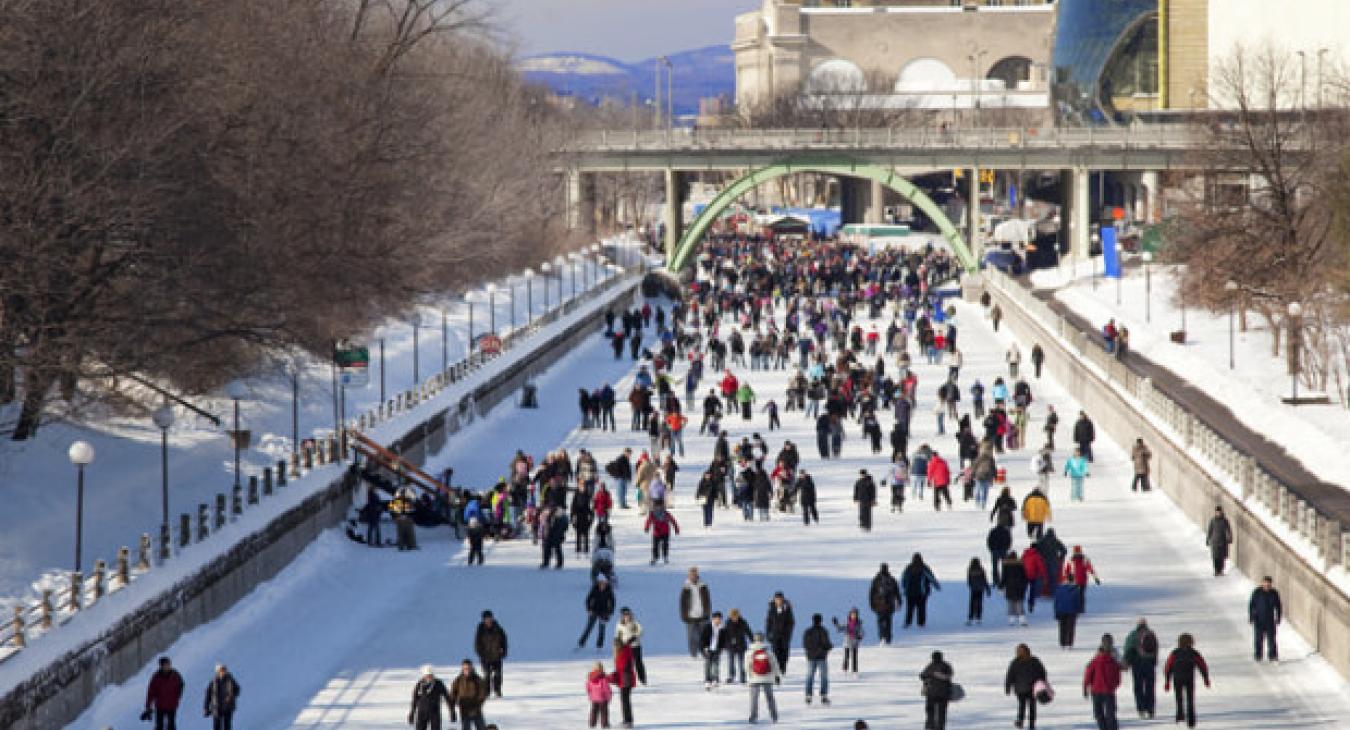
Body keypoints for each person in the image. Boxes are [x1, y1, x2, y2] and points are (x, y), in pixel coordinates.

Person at [1163, 633, 1211, 728]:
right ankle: (1191, 721)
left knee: (1179, 698)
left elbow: (1168, 667)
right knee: (1190, 699)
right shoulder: (1194, 653)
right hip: (1189, 678)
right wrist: (1205, 678)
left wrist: (1167, 681)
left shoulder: (1175, 653)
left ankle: (1180, 717)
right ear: (1191, 641)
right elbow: (1202, 665)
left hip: (1177, 678)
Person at [1123, 617, 1159, 719]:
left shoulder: (1132, 635)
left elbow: (1128, 649)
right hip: (1149, 664)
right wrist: (1154, 661)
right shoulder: (1151, 634)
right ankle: (1150, 709)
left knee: (1138, 687)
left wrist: (1126, 662)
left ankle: (1141, 709)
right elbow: (1156, 648)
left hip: (1137, 664)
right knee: (1150, 687)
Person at [1083, 635, 1122, 730]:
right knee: (1110, 714)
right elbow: (1118, 678)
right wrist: (1114, 686)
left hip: (1096, 691)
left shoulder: (1095, 661)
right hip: (1108, 691)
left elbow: (1088, 675)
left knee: (1098, 713)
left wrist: (1085, 687)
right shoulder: (1113, 661)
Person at [1005, 644, 1048, 730]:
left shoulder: (1015, 662)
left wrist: (1008, 687)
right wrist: (1042, 682)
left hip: (1020, 688)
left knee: (1022, 705)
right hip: (1032, 688)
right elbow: (1043, 672)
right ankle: (1031, 724)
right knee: (1032, 706)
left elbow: (1010, 676)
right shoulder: (1034, 660)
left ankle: (1020, 721)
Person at [746, 632, 782, 724]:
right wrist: (777, 676)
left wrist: (749, 676)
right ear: (763, 639)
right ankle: (774, 717)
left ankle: (753, 717)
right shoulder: (768, 652)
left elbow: (747, 666)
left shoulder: (749, 652)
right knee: (770, 698)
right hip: (767, 677)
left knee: (754, 699)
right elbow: (775, 665)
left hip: (754, 678)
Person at [142, 656, 184, 730]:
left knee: (171, 725)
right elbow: (150, 692)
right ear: (161, 666)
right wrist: (148, 707)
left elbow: (181, 685)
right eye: (165, 665)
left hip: (172, 705)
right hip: (160, 706)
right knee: (159, 726)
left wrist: (177, 697)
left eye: (168, 665)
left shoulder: (175, 675)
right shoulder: (156, 677)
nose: (167, 667)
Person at [901, 552, 940, 628]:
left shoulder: (909, 568)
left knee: (910, 609)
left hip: (910, 592)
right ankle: (921, 623)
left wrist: (904, 587)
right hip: (922, 593)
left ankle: (908, 623)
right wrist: (936, 586)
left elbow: (904, 579)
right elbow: (931, 577)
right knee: (921, 609)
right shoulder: (924, 567)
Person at [680, 567, 712, 659]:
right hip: (690, 616)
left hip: (702, 615)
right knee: (691, 637)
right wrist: (684, 616)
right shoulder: (685, 588)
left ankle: (704, 652)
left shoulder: (703, 586)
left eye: (694, 574)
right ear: (689, 575)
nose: (693, 576)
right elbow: (682, 603)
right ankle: (693, 654)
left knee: (704, 636)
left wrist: (707, 613)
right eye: (691, 574)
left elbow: (708, 600)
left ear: (697, 575)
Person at [409, 665, 453, 730]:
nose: (429, 677)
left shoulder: (438, 684)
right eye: (427, 675)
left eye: (430, 675)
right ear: (424, 675)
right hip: (422, 712)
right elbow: (415, 699)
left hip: (434, 712)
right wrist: (412, 712)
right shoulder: (419, 684)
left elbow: (447, 697)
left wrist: (452, 711)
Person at [1248, 576, 1282, 662]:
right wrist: (1251, 616)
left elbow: (1278, 606)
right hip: (1259, 619)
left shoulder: (1274, 593)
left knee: (1271, 639)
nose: (1266, 585)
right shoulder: (1257, 592)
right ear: (1262, 583)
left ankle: (1273, 655)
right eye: (1265, 583)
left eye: (1268, 583)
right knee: (1258, 638)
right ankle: (1258, 655)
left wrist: (1278, 617)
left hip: (1270, 620)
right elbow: (1252, 605)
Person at [474, 611, 507, 698]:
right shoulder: (480, 630)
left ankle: (497, 690)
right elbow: (477, 643)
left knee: (498, 674)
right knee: (487, 675)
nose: (488, 620)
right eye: (486, 618)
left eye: (490, 618)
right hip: (485, 657)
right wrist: (480, 653)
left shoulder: (498, 628)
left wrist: (504, 651)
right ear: (483, 619)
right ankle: (486, 692)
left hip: (497, 656)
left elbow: (504, 641)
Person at [802, 613, 833, 705]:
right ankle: (823, 695)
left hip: (812, 657)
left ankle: (809, 695)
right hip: (821, 657)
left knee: (810, 676)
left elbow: (806, 645)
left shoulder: (808, 631)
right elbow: (827, 643)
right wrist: (826, 648)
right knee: (823, 677)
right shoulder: (823, 631)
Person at [919, 650, 954, 730]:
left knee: (931, 711)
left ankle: (931, 726)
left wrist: (934, 675)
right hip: (942, 694)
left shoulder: (932, 665)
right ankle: (938, 727)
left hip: (934, 693)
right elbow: (950, 675)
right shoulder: (945, 665)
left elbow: (922, 675)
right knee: (940, 713)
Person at [579, 576, 616, 650]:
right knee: (589, 627)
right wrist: (589, 609)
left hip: (604, 612)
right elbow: (588, 600)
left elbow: (612, 602)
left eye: (604, 583)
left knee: (602, 629)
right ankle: (581, 643)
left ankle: (599, 646)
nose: (602, 585)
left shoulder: (609, 590)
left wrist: (610, 612)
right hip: (594, 610)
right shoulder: (594, 589)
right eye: (601, 583)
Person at [765, 591, 796, 676]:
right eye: (777, 599)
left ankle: (782, 669)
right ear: (774, 600)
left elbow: (791, 622)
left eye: (780, 599)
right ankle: (776, 671)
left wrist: (788, 632)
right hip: (774, 636)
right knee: (775, 654)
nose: (778, 601)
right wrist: (768, 633)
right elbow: (768, 622)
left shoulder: (787, 609)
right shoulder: (771, 609)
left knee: (784, 654)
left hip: (785, 636)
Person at [869, 563, 901, 644]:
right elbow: (897, 592)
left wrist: (872, 604)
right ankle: (888, 638)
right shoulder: (892, 579)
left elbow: (871, 593)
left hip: (879, 605)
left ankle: (882, 637)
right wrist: (899, 602)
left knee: (880, 621)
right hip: (890, 605)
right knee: (888, 622)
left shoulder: (876, 580)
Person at [611, 638, 639, 728]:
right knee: (624, 700)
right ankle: (627, 720)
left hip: (626, 680)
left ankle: (628, 721)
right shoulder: (623, 651)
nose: (614, 647)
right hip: (624, 679)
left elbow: (622, 667)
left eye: (615, 645)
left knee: (625, 701)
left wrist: (613, 676)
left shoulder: (623, 652)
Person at [614, 608, 647, 686]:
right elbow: (617, 634)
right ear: (622, 616)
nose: (627, 616)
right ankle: (624, 680)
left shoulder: (635, 623)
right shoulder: (619, 624)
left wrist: (634, 637)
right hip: (624, 647)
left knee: (638, 662)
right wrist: (617, 641)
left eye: (628, 614)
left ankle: (642, 678)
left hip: (635, 646)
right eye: (625, 614)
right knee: (625, 664)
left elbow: (641, 631)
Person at [203, 663, 241, 730]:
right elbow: (207, 695)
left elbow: (237, 689)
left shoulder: (230, 680)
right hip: (216, 707)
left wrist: (231, 696)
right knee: (217, 726)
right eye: (221, 670)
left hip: (228, 707)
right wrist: (206, 708)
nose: (223, 672)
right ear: (217, 672)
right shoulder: (213, 682)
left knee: (227, 725)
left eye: (224, 670)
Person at [1062, 546, 1101, 611]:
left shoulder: (1077, 560)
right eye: (1076, 551)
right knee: (1079, 595)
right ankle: (1079, 608)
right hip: (1076, 581)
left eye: (1077, 551)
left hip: (1078, 581)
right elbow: (1067, 571)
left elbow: (1090, 569)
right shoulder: (1073, 560)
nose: (1077, 553)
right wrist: (1095, 577)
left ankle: (1079, 608)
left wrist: (1095, 577)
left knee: (1078, 595)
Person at [724, 608, 754, 684]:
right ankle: (731, 676)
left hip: (741, 646)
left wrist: (753, 641)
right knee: (731, 662)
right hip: (731, 646)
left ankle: (742, 678)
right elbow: (725, 635)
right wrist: (725, 644)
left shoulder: (743, 622)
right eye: (733, 616)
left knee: (742, 663)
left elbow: (749, 632)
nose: (734, 618)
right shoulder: (728, 623)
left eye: (736, 616)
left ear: (738, 615)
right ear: (730, 616)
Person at [832, 608, 864, 677]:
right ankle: (845, 670)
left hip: (855, 642)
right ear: (850, 615)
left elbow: (861, 632)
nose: (854, 616)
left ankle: (855, 671)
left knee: (854, 657)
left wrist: (860, 636)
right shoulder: (846, 622)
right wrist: (836, 624)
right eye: (852, 614)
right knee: (846, 656)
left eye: (855, 614)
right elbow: (840, 628)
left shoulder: (859, 623)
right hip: (847, 642)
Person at [1000, 553, 1028, 627]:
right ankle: (1022, 619)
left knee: (1011, 603)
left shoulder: (1006, 566)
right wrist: (1025, 584)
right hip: (1019, 586)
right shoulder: (1020, 565)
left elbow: (1004, 577)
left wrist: (1001, 586)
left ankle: (1011, 620)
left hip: (1010, 587)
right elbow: (1024, 576)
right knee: (1019, 603)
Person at [701, 611, 727, 689]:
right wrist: (704, 647)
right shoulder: (707, 627)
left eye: (719, 619)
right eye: (716, 619)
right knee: (708, 665)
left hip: (717, 649)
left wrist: (722, 647)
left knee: (716, 664)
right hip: (708, 649)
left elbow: (724, 639)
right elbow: (703, 638)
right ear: (713, 619)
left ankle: (715, 679)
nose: (718, 620)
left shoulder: (722, 628)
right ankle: (707, 680)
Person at [1205, 506, 1232, 576]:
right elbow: (1210, 530)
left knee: (1222, 557)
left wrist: (1229, 538)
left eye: (1219, 512)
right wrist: (1207, 539)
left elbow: (1228, 530)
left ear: (1221, 512)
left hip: (1223, 541)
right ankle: (1216, 570)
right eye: (1217, 512)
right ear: (1215, 512)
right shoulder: (1213, 521)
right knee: (1215, 557)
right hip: (1215, 541)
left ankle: (1221, 570)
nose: (1218, 513)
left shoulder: (1225, 521)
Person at [1053, 582, 1082, 648]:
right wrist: (1078, 610)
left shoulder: (1059, 588)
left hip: (1061, 610)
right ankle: (1069, 643)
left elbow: (1056, 600)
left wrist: (1056, 611)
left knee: (1062, 627)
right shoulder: (1075, 589)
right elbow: (1077, 601)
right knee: (1071, 627)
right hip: (1072, 610)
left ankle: (1062, 643)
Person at [586, 662, 613, 728]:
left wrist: (590, 695)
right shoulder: (603, 678)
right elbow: (606, 689)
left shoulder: (590, 678)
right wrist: (609, 696)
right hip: (603, 698)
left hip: (594, 698)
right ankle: (605, 724)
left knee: (594, 711)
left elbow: (588, 688)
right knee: (604, 712)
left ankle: (592, 723)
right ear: (602, 669)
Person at [967, 557, 992, 626]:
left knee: (972, 603)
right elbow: (985, 580)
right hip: (981, 589)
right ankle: (978, 618)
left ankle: (971, 617)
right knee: (979, 603)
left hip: (973, 589)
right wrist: (987, 589)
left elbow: (969, 580)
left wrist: (971, 585)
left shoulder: (970, 570)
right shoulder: (981, 570)